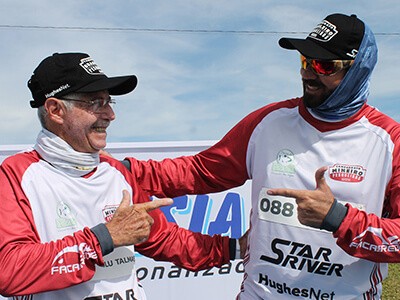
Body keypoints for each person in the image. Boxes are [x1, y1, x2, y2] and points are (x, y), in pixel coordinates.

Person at [123, 13, 400, 299]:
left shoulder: (390, 141)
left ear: (358, 70)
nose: (308, 73)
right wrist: (123, 170)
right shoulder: (269, 121)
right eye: (305, 61)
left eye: (323, 65)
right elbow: (199, 172)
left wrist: (338, 218)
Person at [0, 52, 236, 299]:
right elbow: (8, 271)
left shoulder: (115, 171)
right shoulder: (16, 176)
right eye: (95, 103)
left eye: (109, 102)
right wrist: (105, 237)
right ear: (56, 110)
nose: (110, 115)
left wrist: (233, 248)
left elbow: (163, 238)